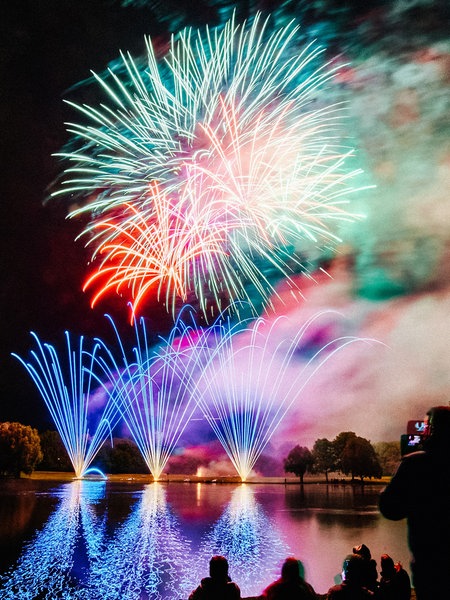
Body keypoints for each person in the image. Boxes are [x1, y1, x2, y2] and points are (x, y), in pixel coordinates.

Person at [379, 405, 450, 600]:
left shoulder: (416, 464)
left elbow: (390, 508)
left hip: (430, 564)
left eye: (424, 428)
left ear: (432, 430)